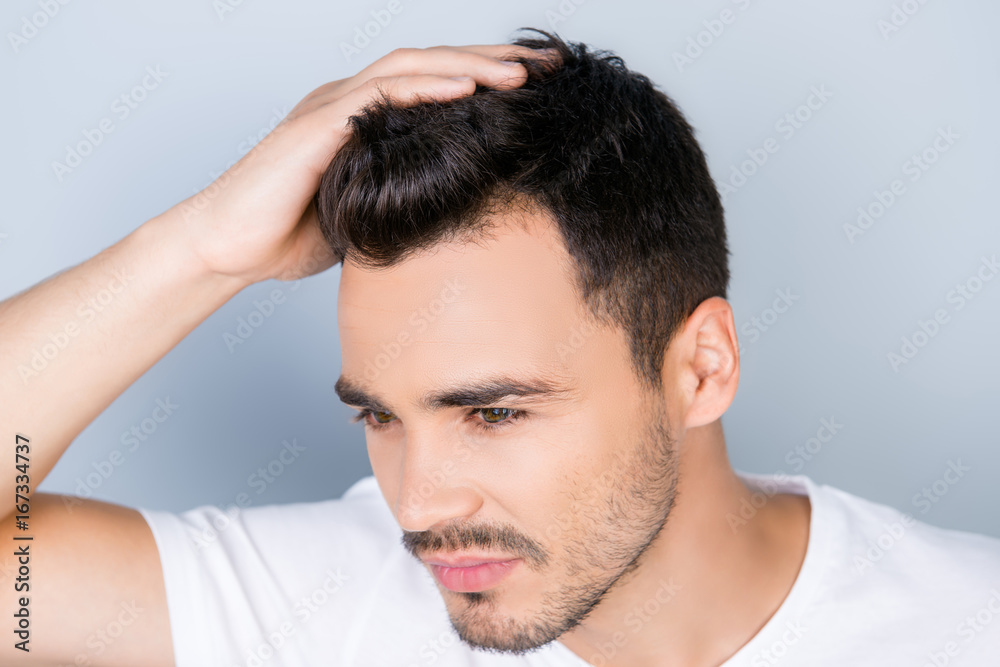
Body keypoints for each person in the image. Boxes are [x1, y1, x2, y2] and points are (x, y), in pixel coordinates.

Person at [2, 28, 999, 667]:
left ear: (702, 366)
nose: (422, 504)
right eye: (379, 416)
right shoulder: (321, 599)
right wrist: (197, 249)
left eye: (494, 411)